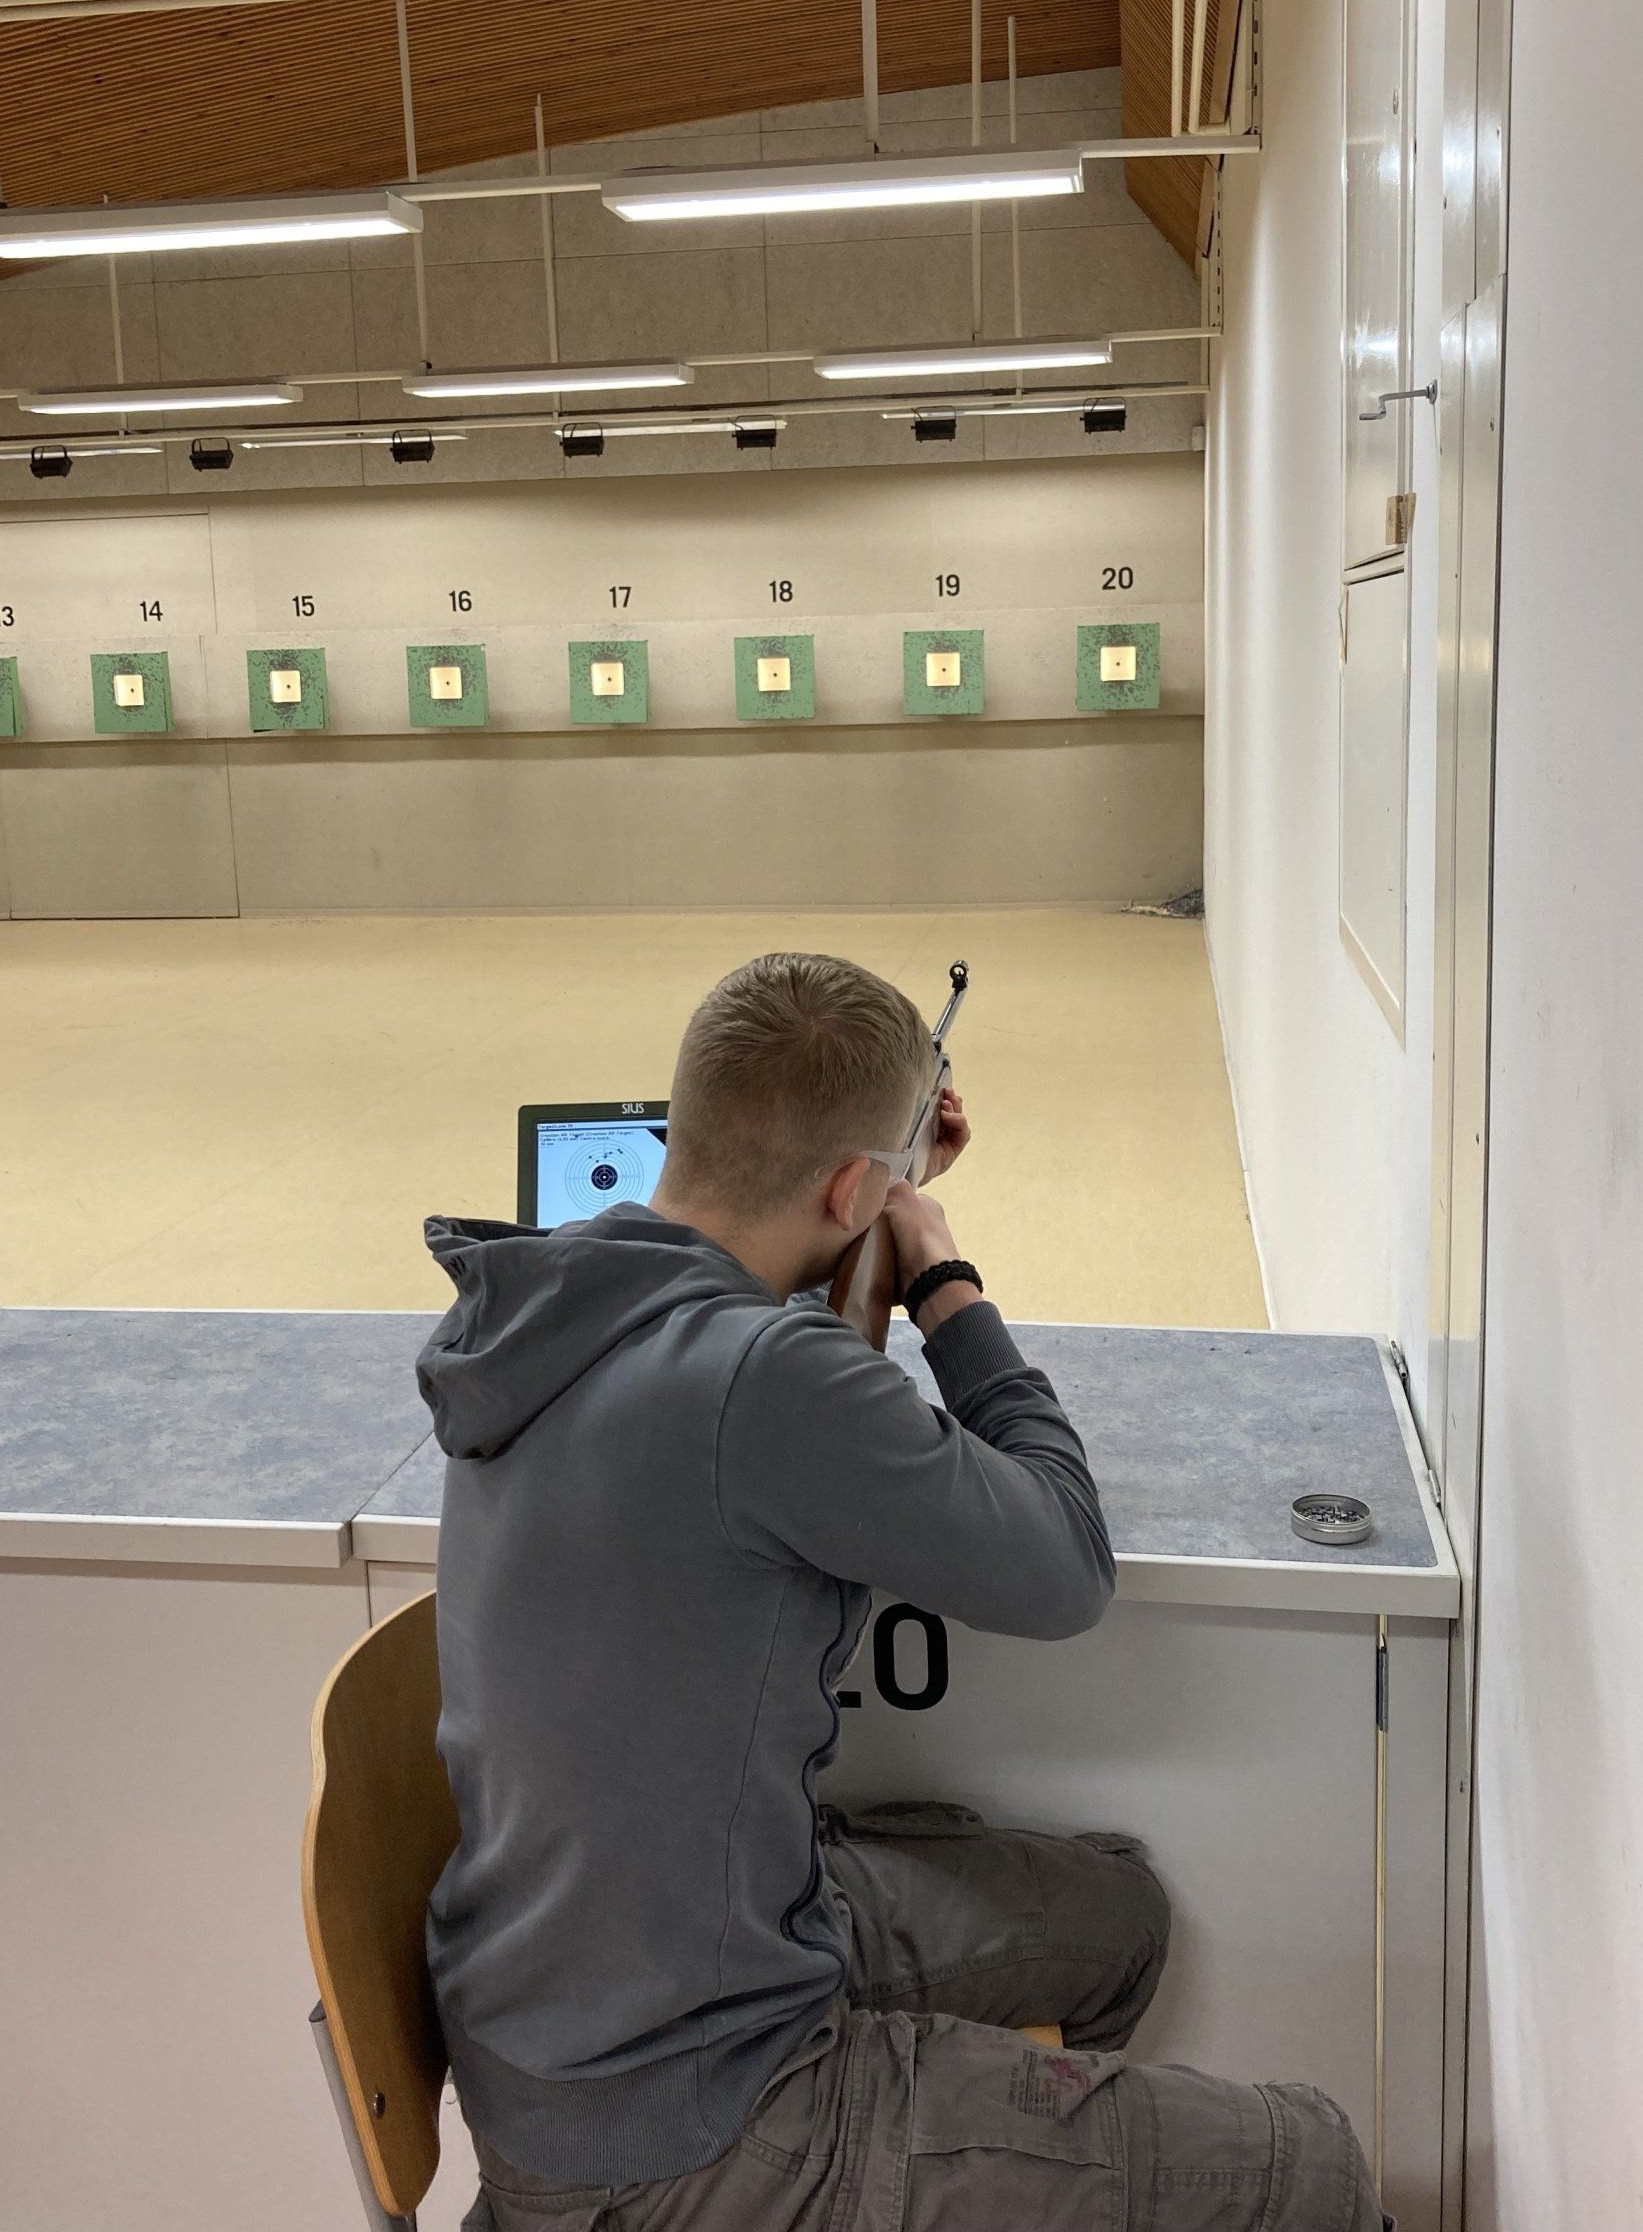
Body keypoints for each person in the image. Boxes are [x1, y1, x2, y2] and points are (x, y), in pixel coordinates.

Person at [419, 951, 1384, 2232]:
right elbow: (1062, 1563)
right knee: (1317, 2167)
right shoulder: (767, 1380)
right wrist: (938, 1272)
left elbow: (772, 1412)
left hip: (581, 2005)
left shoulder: (554, 1308)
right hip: (688, 2112)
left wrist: (874, 1186)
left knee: (1117, 1915)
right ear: (850, 1188)